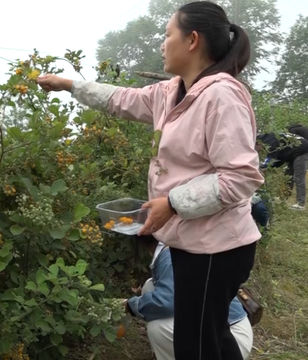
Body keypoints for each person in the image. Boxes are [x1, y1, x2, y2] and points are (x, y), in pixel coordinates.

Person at [37, 2, 263, 359]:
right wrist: (69, 85)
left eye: (167, 34)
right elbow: (119, 99)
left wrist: (171, 203)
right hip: (195, 243)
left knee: (196, 345)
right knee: (212, 336)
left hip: (217, 250)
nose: (162, 43)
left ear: (192, 40)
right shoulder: (172, 92)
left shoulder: (221, 96)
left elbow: (240, 178)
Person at [125, 235, 253, 360]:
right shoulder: (178, 244)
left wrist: (129, 305)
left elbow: (165, 303)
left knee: (158, 329)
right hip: (225, 328)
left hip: (230, 339)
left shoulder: (168, 255)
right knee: (149, 286)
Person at [257, 132, 308, 210]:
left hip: (302, 151)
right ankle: (283, 199)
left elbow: (269, 161)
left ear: (258, 143)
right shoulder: (267, 139)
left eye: (256, 148)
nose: (258, 151)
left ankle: (301, 204)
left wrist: (260, 169)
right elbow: (277, 160)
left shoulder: (271, 142)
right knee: (288, 176)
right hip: (291, 152)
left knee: (298, 177)